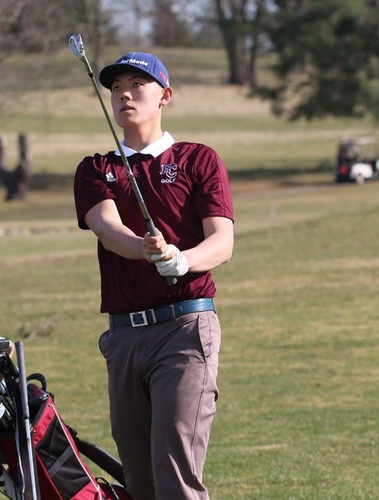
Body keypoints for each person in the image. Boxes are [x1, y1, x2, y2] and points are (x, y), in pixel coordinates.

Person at [73, 51, 235, 500]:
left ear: (165, 96)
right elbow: (108, 230)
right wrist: (145, 250)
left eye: (137, 85)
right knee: (140, 484)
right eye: (117, 87)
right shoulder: (96, 168)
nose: (125, 94)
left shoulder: (197, 160)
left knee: (174, 472)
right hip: (124, 338)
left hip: (185, 329)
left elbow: (222, 241)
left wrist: (182, 259)